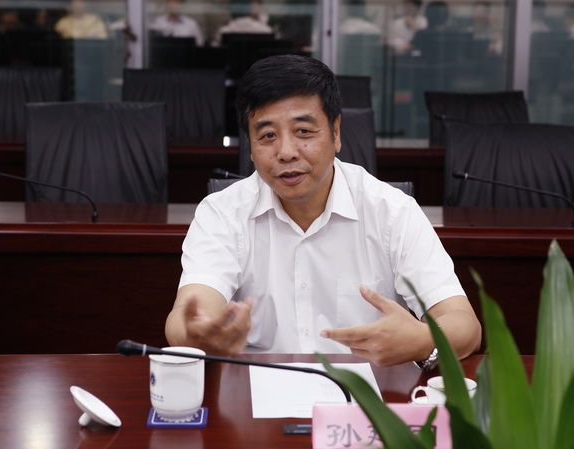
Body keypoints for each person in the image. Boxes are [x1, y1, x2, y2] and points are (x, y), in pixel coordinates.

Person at [164, 54, 481, 368]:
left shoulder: (392, 212)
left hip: (365, 396)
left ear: (336, 132)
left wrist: (423, 340)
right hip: (254, 393)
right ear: (250, 146)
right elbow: (185, 318)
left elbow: (465, 325)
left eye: (303, 131)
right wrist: (198, 335)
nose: (286, 152)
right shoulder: (222, 213)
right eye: (268, 136)